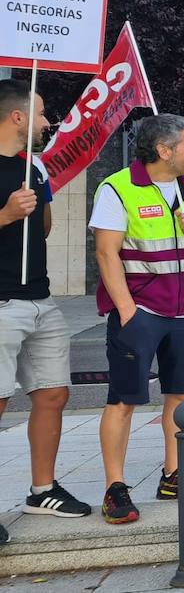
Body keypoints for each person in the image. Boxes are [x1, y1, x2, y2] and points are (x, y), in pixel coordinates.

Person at [92, 115, 184, 524]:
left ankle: (173, 475)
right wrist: (127, 310)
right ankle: (115, 488)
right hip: (140, 312)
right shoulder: (118, 187)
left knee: (181, 397)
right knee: (123, 400)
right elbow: (107, 253)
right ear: (165, 151)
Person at [0, 80, 90, 534]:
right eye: (40, 113)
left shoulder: (32, 168)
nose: (47, 122)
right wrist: (5, 215)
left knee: (53, 393)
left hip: (40, 298)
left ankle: (42, 489)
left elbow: (46, 229)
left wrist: (38, 200)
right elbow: (15, 220)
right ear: (16, 117)